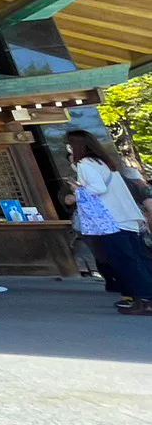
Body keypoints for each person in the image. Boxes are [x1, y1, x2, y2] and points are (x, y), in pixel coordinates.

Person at [68, 130, 152, 315]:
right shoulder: (105, 163)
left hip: (110, 220)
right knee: (137, 258)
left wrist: (78, 191)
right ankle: (143, 296)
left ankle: (144, 299)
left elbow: (98, 188)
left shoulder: (85, 164)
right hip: (126, 216)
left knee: (125, 260)